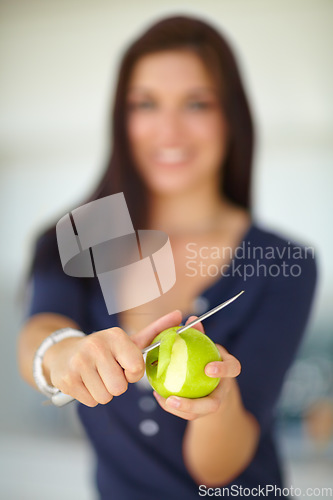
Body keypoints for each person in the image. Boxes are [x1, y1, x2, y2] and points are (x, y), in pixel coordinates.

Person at [18, 15, 317, 499]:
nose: (169, 130)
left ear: (231, 117)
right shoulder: (84, 234)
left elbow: (217, 471)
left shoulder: (282, 262)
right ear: (123, 118)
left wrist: (217, 400)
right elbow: (37, 332)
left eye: (196, 103)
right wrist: (66, 353)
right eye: (146, 104)